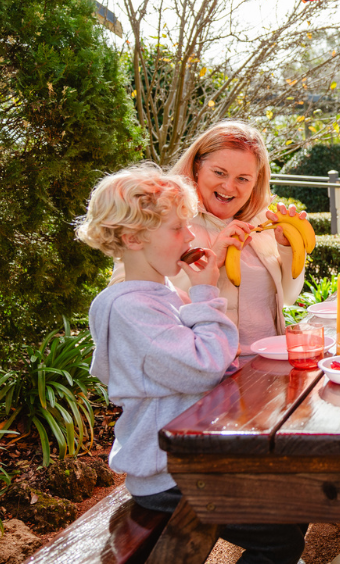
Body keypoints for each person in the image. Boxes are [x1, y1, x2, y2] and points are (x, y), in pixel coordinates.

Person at [76, 164, 306, 564]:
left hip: (185, 458)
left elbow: (199, 362)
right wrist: (203, 292)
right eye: (176, 229)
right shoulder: (133, 308)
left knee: (297, 495)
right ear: (132, 238)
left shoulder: (155, 294)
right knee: (282, 530)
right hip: (169, 473)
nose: (189, 236)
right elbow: (205, 364)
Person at [112, 120, 307, 354]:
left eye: (243, 178)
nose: (228, 186)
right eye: (219, 172)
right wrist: (211, 259)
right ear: (197, 167)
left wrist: (288, 249)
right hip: (201, 372)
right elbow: (126, 298)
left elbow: (288, 297)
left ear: (256, 181)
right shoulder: (162, 219)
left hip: (266, 363)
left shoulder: (261, 225)